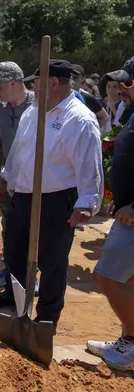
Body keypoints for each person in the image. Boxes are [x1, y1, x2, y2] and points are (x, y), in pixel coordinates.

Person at [0, 60, 103, 331]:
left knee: (52, 261)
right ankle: (16, 303)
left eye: (37, 83)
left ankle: (46, 318)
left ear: (53, 84)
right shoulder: (33, 112)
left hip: (56, 201)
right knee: (14, 252)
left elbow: (89, 165)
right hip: (22, 196)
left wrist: (87, 202)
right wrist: (5, 179)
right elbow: (19, 150)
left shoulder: (78, 118)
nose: (33, 87)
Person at [86, 57, 134, 370]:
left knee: (106, 277)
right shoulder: (131, 111)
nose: (121, 89)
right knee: (129, 282)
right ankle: (128, 342)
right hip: (125, 212)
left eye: (127, 83)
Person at [0, 62, 37, 294]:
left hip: (35, 182)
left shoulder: (38, 106)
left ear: (13, 83)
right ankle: (12, 269)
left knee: (34, 230)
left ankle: (32, 274)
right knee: (9, 226)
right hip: (7, 181)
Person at [71, 64, 110, 128]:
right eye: (70, 77)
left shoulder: (88, 97)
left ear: (83, 78)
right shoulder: (61, 96)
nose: (72, 81)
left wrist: (89, 130)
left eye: (75, 77)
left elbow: (104, 117)